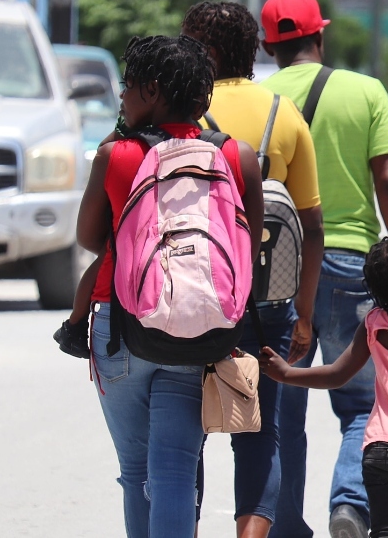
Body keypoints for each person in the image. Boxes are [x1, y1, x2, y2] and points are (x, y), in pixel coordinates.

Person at [76, 35, 264, 537]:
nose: (122, 96)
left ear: (153, 91)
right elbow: (246, 250)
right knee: (175, 470)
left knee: (135, 469)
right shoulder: (234, 155)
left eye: (128, 86)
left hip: (120, 327)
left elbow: (89, 238)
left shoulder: (116, 155)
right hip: (197, 328)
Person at [258, 0, 388, 538]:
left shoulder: (261, 99)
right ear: (320, 36)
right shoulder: (365, 91)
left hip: (279, 268)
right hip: (352, 264)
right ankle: (349, 504)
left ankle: (283, 523)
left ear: (268, 46)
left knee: (282, 406)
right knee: (362, 404)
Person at [179, 1, 325, 538]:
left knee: (184, 432)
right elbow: (311, 224)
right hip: (264, 300)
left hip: (191, 297)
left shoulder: (184, 110)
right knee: (259, 431)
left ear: (208, 51)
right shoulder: (282, 113)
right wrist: (304, 312)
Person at [259, 231, 388, 538]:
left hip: (379, 451)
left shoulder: (374, 323)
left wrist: (287, 373)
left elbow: (336, 374)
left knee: (385, 531)